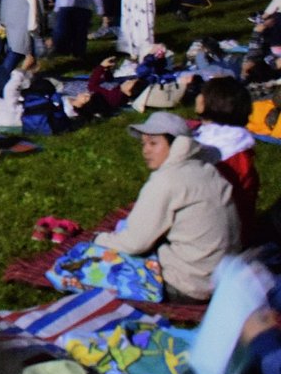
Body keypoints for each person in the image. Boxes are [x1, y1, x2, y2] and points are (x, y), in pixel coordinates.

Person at [93, 112, 240, 302]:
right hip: (224, 277)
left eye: (153, 143)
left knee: (104, 264)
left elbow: (135, 243)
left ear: (176, 144)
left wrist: (100, 240)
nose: (145, 150)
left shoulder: (166, 180)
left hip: (189, 285)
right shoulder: (208, 171)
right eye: (144, 144)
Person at [194, 77, 260, 246]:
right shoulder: (234, 141)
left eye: (202, 93)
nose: (197, 96)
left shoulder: (230, 155)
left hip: (216, 236)